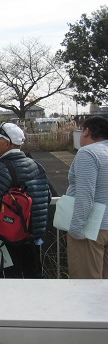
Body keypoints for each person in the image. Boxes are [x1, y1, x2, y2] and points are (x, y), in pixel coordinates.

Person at [0, 122, 50, 278]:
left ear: (7, 143)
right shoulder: (36, 165)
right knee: (34, 280)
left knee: (11, 283)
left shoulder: (4, 167)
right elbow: (46, 197)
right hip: (33, 236)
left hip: (11, 236)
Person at [66, 116, 108, 279]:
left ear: (87, 131)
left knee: (87, 286)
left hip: (91, 230)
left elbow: (85, 194)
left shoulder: (88, 153)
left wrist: (76, 228)